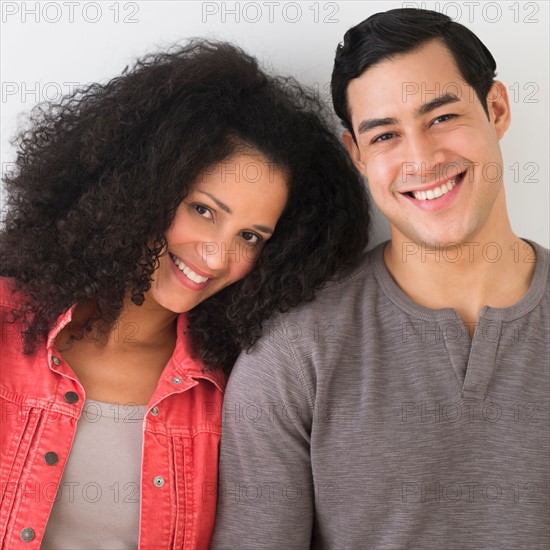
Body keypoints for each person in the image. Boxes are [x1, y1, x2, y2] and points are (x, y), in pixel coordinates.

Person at [0, 41, 370, 549]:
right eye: (203, 210)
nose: (217, 257)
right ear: (141, 187)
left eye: (250, 237)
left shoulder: (237, 390)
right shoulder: (6, 323)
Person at [212, 8, 549, 549]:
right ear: (357, 156)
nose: (421, 159)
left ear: (497, 109)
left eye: (441, 118)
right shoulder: (291, 355)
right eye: (386, 134)